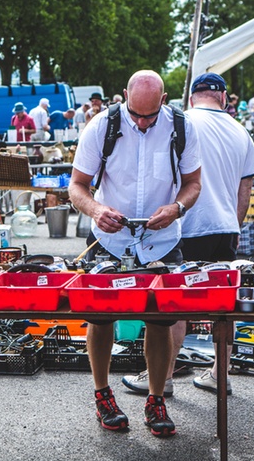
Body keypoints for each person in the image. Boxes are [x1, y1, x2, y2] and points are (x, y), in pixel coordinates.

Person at [69, 70, 202, 438]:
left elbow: (193, 183)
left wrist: (176, 208)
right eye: (135, 114)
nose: (142, 123)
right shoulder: (101, 125)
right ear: (124, 95)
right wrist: (96, 210)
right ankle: (103, 394)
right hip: (111, 240)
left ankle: (156, 398)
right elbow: (77, 186)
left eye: (149, 116)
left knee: (160, 321)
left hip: (162, 240)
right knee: (100, 319)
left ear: (163, 100)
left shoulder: (181, 126)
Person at [122, 73, 254, 398]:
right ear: (224, 97)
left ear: (191, 97)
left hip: (187, 222)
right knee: (224, 307)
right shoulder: (241, 131)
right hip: (225, 226)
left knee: (175, 304)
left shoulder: (181, 122)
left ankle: (163, 376)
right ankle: (219, 374)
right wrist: (234, 226)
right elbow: (246, 190)